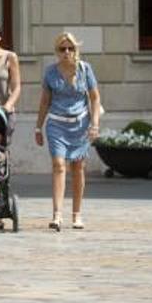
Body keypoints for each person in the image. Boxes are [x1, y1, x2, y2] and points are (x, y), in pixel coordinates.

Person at [34, 32, 101, 231]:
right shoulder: (50, 72)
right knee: (58, 165)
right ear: (57, 52)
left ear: (75, 50)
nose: (67, 52)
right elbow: (45, 101)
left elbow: (95, 98)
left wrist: (95, 124)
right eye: (62, 49)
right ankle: (57, 215)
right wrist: (38, 127)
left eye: (70, 48)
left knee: (78, 167)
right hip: (56, 124)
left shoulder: (85, 69)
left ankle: (77, 215)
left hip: (80, 124)